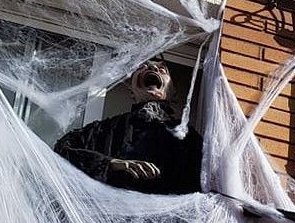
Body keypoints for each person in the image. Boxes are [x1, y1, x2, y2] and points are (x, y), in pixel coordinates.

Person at [54, 57, 203, 196]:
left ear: (173, 92)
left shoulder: (188, 138)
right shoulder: (103, 130)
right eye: (142, 66)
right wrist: (108, 164)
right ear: (132, 90)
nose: (153, 68)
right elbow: (62, 150)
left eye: (162, 69)